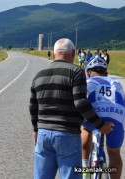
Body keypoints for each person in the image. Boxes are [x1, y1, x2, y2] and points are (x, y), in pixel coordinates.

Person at [29, 38, 114, 179]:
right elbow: (81, 103)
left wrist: (35, 130)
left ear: (54, 54)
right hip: (67, 134)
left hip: (43, 134)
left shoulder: (39, 75)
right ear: (73, 53)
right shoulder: (76, 72)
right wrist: (100, 125)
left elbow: (33, 106)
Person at [81, 56, 124, 179]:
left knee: (85, 128)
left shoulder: (87, 81)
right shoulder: (117, 83)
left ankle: (85, 169)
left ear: (88, 73)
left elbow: (82, 104)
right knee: (115, 153)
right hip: (116, 117)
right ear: (107, 73)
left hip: (94, 117)